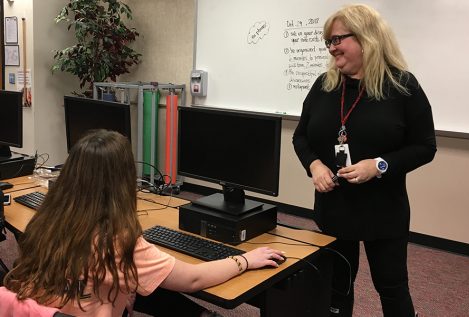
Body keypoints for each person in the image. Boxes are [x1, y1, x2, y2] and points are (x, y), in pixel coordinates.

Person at [3, 129, 285, 316]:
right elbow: (193, 279)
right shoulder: (117, 240)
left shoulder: (46, 220)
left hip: (44, 310)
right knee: (150, 282)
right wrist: (245, 260)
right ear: (124, 180)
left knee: (147, 285)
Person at [293, 4, 436, 317]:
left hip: (383, 211)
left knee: (392, 288)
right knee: (337, 289)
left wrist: (380, 165)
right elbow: (300, 137)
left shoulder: (402, 87)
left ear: (366, 38)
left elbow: (425, 147)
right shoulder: (324, 86)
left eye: (337, 40)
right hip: (334, 208)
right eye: (328, 42)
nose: (332, 48)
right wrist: (314, 165)